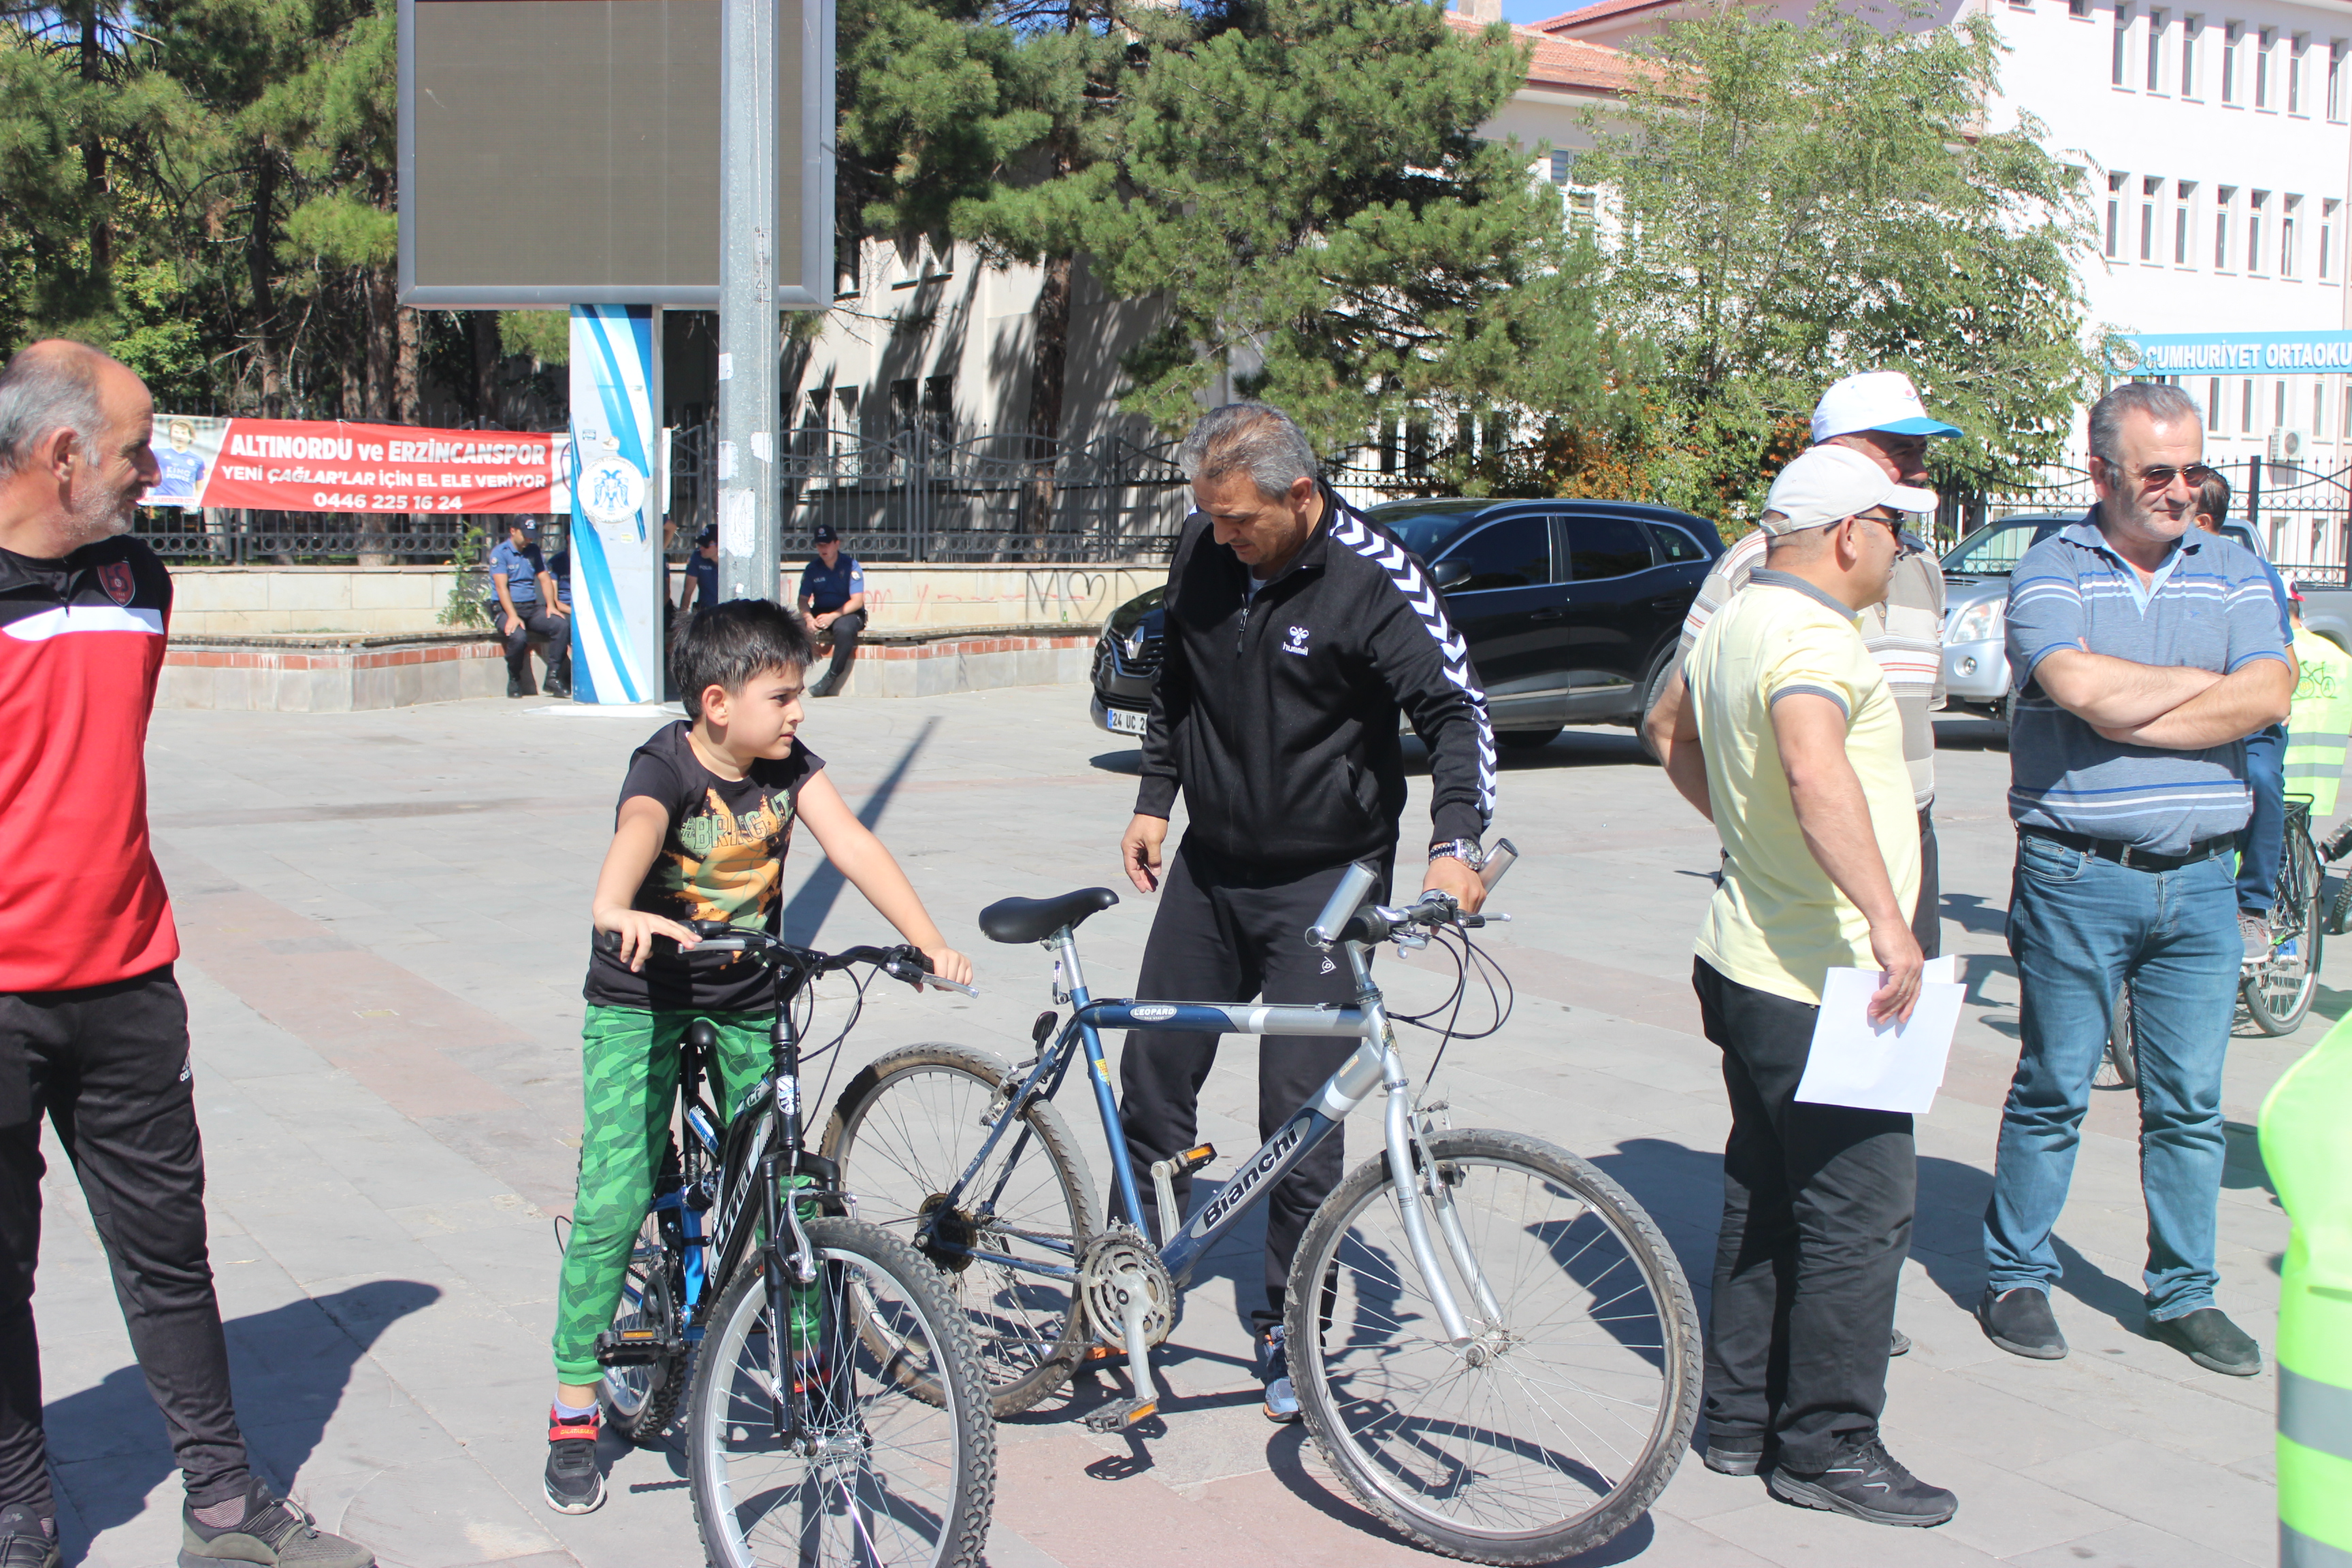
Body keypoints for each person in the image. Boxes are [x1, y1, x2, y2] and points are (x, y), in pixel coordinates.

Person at [0, 341, 374, 1568]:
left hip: (126, 986)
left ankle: (226, 1506)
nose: (157, 471)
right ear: (63, 458)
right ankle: (22, 1513)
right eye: (136, 447)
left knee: (169, 1255)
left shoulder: (141, 582)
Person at [543, 598, 973, 1514]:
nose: (799, 713)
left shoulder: (790, 767)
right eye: (782, 696)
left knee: (793, 1188)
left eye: (800, 695)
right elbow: (638, 832)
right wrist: (614, 906)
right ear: (716, 703)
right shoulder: (664, 763)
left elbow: (850, 843)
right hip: (641, 995)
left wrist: (927, 942)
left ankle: (813, 1378)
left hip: (749, 994)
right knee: (616, 1195)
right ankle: (575, 1408)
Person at [1116, 402, 1494, 1424]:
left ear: (1301, 494)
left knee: (1300, 1109)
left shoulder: (1375, 577)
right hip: (1213, 863)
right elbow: (1174, 683)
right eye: (1210, 519)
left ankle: (1289, 1322)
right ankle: (1125, 1284)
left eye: (1239, 521)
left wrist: (1454, 846)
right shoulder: (1205, 542)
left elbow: (1458, 714)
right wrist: (1157, 798)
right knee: (1151, 1079)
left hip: (1330, 876)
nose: (1221, 538)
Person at [1658, 444, 1956, 1526]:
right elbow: (1811, 762)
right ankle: (1827, 1444)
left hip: (1747, 953)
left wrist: (1750, 837)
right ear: (1849, 533)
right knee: (1860, 1211)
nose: (1903, 549)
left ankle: (1738, 1421)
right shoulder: (1814, 636)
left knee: (1765, 1191)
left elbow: (1666, 732)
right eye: (1898, 529)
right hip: (1825, 972)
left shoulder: (1735, 615)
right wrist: (1888, 923)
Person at [1981, 382, 2292, 1379]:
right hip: (2078, 877)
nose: (2180, 489)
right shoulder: (2049, 565)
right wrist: (2219, 695)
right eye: (2158, 472)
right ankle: (2016, 1275)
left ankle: (2184, 1295)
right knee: (2052, 1088)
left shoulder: (2237, 564)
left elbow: (2273, 690)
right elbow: (2074, 688)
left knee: (2191, 1105)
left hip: (2204, 884)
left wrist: (2133, 705)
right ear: (2101, 469)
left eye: (2194, 470)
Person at [1647, 370, 1957, 961]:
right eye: (1900, 449)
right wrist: (1756, 832)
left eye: (1921, 449)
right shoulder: (1758, 564)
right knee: (1808, 1037)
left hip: (1911, 840)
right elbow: (1672, 717)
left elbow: (1919, 716)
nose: (1918, 466)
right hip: (1806, 854)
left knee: (1901, 1042)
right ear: (1836, 454)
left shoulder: (1920, 565)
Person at [2190, 472, 2294, 964]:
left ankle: (2254, 905)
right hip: (2191, 723)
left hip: (2249, 726)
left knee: (2261, 779)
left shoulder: (2252, 574)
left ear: (2205, 522)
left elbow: (2285, 670)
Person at [488, 517, 570, 698]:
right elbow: (501, 588)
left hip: (530, 607)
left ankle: (553, 677)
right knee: (518, 637)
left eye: (531, 536)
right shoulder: (500, 553)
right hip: (505, 608)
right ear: (513, 531)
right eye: (525, 536)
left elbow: (544, 579)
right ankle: (515, 678)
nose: (529, 540)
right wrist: (512, 615)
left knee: (561, 625)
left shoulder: (533, 551)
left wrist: (551, 605)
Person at [798, 525, 865, 697]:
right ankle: (794, 677)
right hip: (821, 612)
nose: (823, 549)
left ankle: (831, 678)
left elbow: (857, 601)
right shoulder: (812, 569)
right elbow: (803, 600)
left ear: (837, 544)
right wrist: (808, 618)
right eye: (820, 545)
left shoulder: (851, 565)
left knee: (843, 629)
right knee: (791, 625)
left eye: (827, 544)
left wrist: (833, 616)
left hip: (847, 612)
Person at [152, 417, 208, 502]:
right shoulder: (157, 453)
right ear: (170, 434)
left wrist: (195, 504)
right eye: (176, 432)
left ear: (190, 437)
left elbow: (199, 489)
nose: (179, 436)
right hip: (160, 503)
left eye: (183, 433)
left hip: (184, 505)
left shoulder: (198, 460)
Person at [679, 524, 719, 617]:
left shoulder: (732, 561)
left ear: (719, 545)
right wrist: (681, 621)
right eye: (701, 544)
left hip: (728, 612)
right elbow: (688, 591)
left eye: (706, 545)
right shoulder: (697, 557)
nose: (701, 548)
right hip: (705, 612)